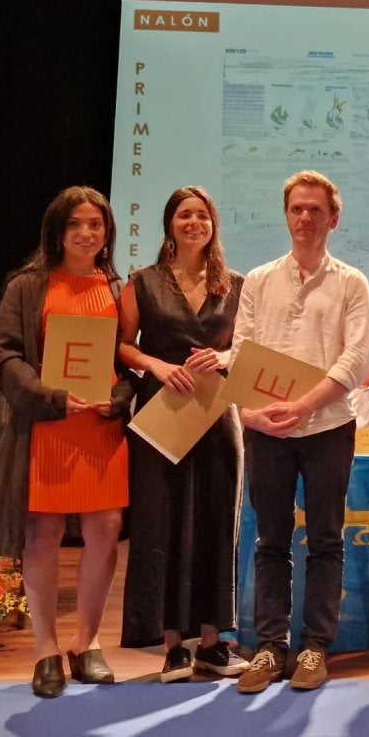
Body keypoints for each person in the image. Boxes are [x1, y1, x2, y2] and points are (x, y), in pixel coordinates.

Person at [0, 186, 132, 699]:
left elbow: (128, 360)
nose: (86, 233)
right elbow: (6, 355)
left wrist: (119, 397)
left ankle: (86, 643)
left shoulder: (118, 288)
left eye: (96, 224)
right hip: (47, 427)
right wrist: (49, 398)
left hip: (99, 428)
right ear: (57, 230)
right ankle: (46, 649)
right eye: (75, 224)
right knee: (42, 534)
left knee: (106, 529)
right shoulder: (27, 286)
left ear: (107, 232)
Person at [232, 171, 369, 693]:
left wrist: (304, 405)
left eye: (316, 210)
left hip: (328, 426)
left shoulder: (352, 282)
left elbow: (355, 359)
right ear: (286, 215)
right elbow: (241, 352)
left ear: (333, 219)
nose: (305, 218)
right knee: (270, 541)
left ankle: (314, 648)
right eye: (297, 208)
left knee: (326, 541)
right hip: (266, 430)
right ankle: (270, 648)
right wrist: (250, 414)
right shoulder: (259, 279)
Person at [118, 186, 247, 682]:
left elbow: (250, 345)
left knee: (217, 522)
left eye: (202, 215)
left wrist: (226, 356)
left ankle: (213, 644)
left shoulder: (236, 285)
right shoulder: (143, 282)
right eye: (184, 215)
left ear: (213, 224)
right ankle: (173, 645)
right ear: (170, 225)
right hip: (162, 413)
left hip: (216, 415)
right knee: (162, 524)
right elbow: (122, 345)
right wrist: (155, 364)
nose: (193, 222)